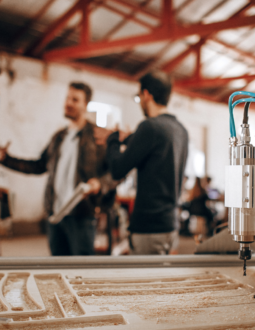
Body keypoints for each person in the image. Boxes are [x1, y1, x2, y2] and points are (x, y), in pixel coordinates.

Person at [0, 82, 113, 256]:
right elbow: (38, 166)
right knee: (57, 267)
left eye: (75, 100)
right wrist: (6, 159)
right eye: (68, 98)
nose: (69, 103)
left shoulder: (98, 137)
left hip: (81, 215)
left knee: (81, 270)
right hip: (55, 216)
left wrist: (100, 183)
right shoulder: (59, 138)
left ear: (86, 104)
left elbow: (116, 173)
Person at [94, 71, 189, 255]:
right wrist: (127, 138)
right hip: (170, 225)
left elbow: (117, 169)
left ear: (146, 95)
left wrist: (112, 140)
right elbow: (154, 149)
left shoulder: (149, 126)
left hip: (149, 227)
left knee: (149, 281)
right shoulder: (180, 130)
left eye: (139, 97)